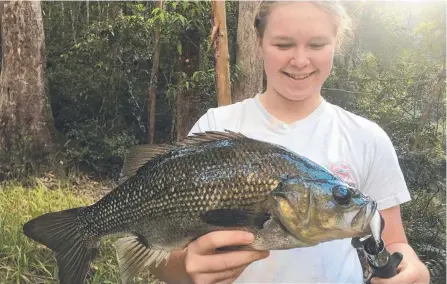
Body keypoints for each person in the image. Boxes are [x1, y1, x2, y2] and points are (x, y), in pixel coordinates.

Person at [149, 1, 430, 283]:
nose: (299, 60)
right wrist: (185, 268)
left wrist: (413, 269)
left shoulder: (367, 138)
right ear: (258, 42)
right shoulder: (215, 126)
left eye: (317, 45)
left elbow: (393, 241)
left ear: (336, 44)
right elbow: (156, 260)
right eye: (283, 45)